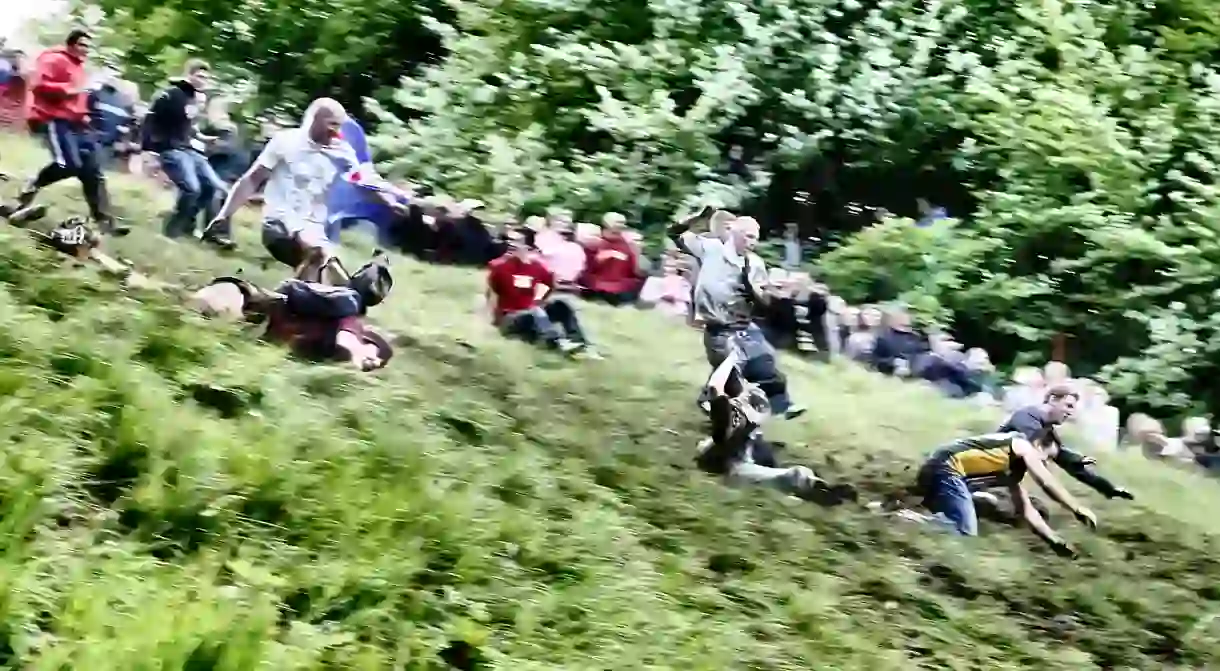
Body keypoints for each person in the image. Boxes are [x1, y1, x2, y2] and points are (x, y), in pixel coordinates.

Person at [668, 206, 804, 419]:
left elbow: (764, 300)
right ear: (733, 231)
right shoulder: (711, 248)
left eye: (756, 238)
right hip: (717, 327)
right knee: (730, 370)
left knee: (765, 361)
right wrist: (697, 218)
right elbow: (674, 234)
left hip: (743, 324)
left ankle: (782, 405)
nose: (753, 242)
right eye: (749, 236)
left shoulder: (755, 263)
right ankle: (714, 405)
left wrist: (774, 293)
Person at [204, 98, 371, 259]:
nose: (336, 131)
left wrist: (355, 171)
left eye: (339, 125)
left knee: (331, 269)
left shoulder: (343, 150)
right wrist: (223, 215)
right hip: (279, 224)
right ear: (314, 120)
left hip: (314, 227)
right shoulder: (286, 141)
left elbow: (361, 183)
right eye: (332, 124)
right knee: (318, 257)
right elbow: (252, 179)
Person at [3, 30, 128, 235]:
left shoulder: (80, 69)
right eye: (82, 45)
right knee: (68, 164)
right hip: (53, 118)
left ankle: (106, 223)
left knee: (93, 172)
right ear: (70, 45)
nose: (85, 50)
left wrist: (84, 116)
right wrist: (69, 89)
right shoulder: (53, 59)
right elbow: (38, 84)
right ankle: (33, 184)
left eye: (88, 46)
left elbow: (78, 99)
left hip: (76, 124)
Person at [696, 345, 855, 504]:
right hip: (730, 463)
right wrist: (731, 360)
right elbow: (717, 388)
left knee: (788, 473)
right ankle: (817, 491)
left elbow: (719, 388)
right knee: (787, 475)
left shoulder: (752, 404)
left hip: (740, 456)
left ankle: (817, 490)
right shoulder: (739, 409)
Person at [916, 431, 1098, 556]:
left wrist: (1055, 542)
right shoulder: (1020, 444)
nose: (1047, 464)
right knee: (966, 532)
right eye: (1048, 457)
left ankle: (916, 521)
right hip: (945, 467)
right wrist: (1077, 508)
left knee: (959, 526)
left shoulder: (1012, 471)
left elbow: (1027, 511)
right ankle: (910, 521)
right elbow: (1045, 481)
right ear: (1038, 445)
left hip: (946, 478)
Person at [998, 385, 1134, 501]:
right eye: (1068, 406)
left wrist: (1108, 488)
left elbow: (1067, 461)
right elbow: (1037, 447)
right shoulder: (1026, 416)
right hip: (986, 470)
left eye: (1073, 408)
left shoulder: (1045, 429)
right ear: (1052, 400)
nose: (1070, 412)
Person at [143, 59, 229, 240]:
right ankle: (171, 231)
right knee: (191, 189)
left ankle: (186, 222)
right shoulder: (171, 94)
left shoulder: (194, 98)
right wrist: (148, 150)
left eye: (206, 78)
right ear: (189, 75)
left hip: (188, 149)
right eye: (199, 76)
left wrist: (203, 138)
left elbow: (189, 125)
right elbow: (149, 119)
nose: (202, 80)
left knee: (213, 187)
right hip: (170, 149)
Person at [485, 228, 600, 359]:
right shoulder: (499, 266)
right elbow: (492, 294)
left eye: (516, 241)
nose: (511, 244)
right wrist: (494, 321)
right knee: (535, 311)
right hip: (510, 318)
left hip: (532, 315)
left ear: (528, 246)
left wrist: (539, 300)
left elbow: (549, 285)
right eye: (509, 241)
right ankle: (556, 341)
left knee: (561, 304)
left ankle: (577, 341)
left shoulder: (537, 268)